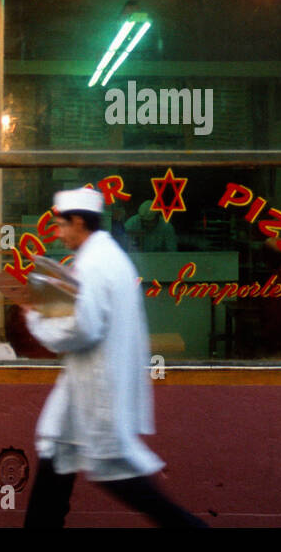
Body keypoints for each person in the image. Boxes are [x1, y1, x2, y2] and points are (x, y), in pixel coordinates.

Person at [22, 187, 208, 528]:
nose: (59, 234)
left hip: (98, 391)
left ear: (78, 221)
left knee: (121, 478)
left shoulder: (94, 264)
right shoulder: (107, 257)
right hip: (89, 388)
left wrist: (37, 316)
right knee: (56, 453)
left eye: (62, 225)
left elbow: (83, 328)